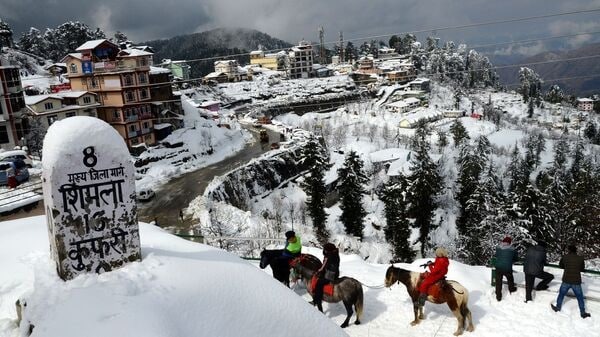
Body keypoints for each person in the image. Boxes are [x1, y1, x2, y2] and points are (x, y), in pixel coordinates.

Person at [551, 245, 591, 318]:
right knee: (580, 298)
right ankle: (583, 312)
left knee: (561, 294)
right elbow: (582, 268)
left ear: (569, 250)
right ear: (576, 250)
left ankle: (558, 308)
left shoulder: (564, 257)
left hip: (566, 279)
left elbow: (561, 266)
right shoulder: (580, 258)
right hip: (576, 281)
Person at [312, 243, 340, 308]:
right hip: (334, 273)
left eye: (325, 250)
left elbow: (325, 266)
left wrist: (320, 271)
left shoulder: (330, 256)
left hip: (330, 275)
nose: (324, 251)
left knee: (319, 284)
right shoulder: (334, 254)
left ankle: (317, 300)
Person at [494, 236, 518, 301]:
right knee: (510, 279)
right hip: (507, 268)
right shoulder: (513, 249)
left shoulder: (498, 247)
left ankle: (498, 296)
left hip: (498, 267)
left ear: (503, 241)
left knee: (498, 282)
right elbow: (516, 258)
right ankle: (511, 289)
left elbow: (496, 255)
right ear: (509, 242)